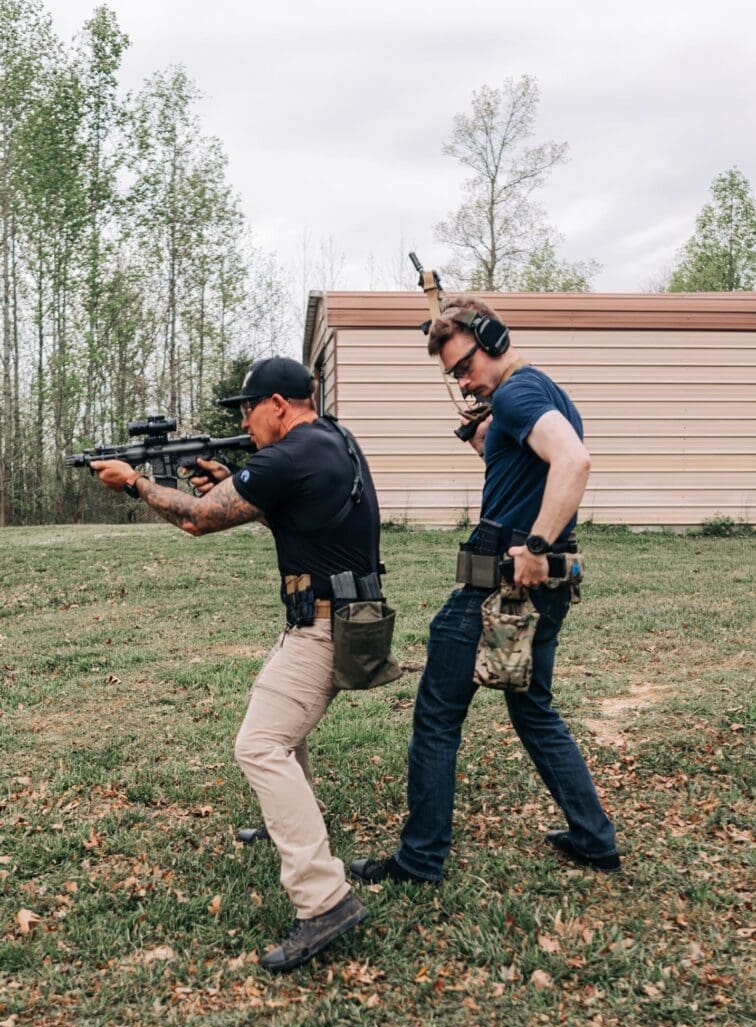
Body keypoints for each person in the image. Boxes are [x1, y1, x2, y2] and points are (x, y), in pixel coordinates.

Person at [92, 356, 379, 971]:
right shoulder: (335, 440)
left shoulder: (287, 456)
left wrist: (137, 484)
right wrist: (233, 479)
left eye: (247, 408)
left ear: (279, 404)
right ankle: (289, 831)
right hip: (344, 617)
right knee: (279, 730)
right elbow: (302, 508)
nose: (244, 421)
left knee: (259, 745)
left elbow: (197, 520)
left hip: (323, 627)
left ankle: (323, 899)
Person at [350, 298, 619, 887]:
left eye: (464, 367)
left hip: (501, 585)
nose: (462, 381)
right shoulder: (538, 392)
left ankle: (419, 861)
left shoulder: (519, 394)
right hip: (540, 590)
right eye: (453, 375)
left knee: (438, 718)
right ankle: (593, 838)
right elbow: (525, 472)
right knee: (534, 710)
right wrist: (483, 440)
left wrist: (538, 545)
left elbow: (574, 462)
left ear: (493, 339)